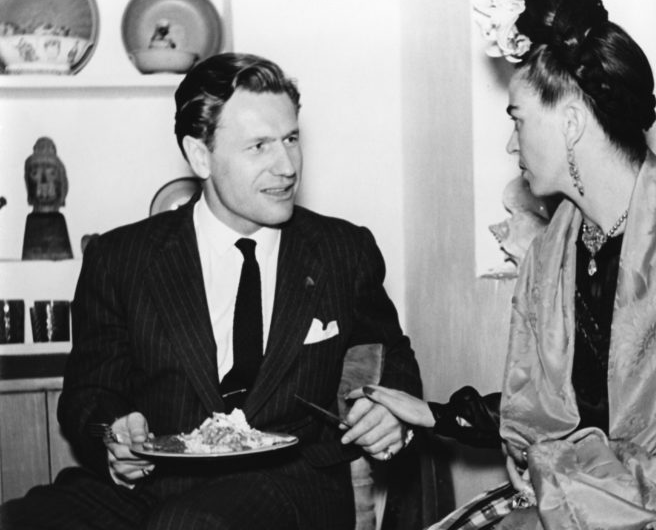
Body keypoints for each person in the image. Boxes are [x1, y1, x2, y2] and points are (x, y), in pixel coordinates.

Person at [352, 0, 656, 529]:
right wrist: (434, 414)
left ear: (570, 123)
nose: (510, 143)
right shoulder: (560, 246)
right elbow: (564, 407)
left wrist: (550, 470)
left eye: (518, 120)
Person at [0, 53, 421, 530]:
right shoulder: (120, 258)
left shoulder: (343, 250)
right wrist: (115, 433)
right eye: (259, 146)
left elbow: (393, 359)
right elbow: (89, 393)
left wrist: (391, 414)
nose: (287, 166)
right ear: (200, 155)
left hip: (292, 486)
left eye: (291, 139)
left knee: (187, 524)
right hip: (156, 483)